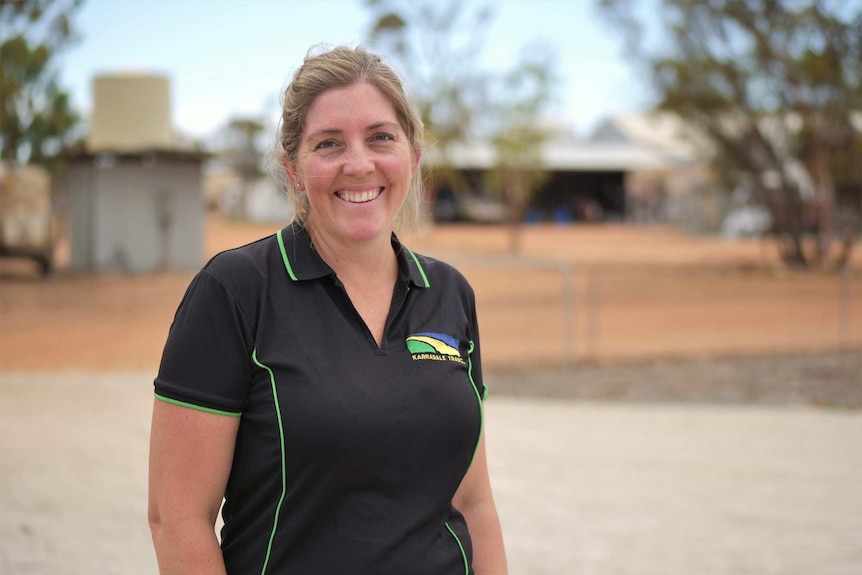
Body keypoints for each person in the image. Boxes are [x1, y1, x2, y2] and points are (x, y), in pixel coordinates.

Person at [148, 45, 508, 575]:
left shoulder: (449, 293)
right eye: (329, 144)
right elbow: (176, 517)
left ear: (413, 156)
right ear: (293, 168)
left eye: (381, 137)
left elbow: (472, 500)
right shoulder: (235, 290)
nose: (358, 163)